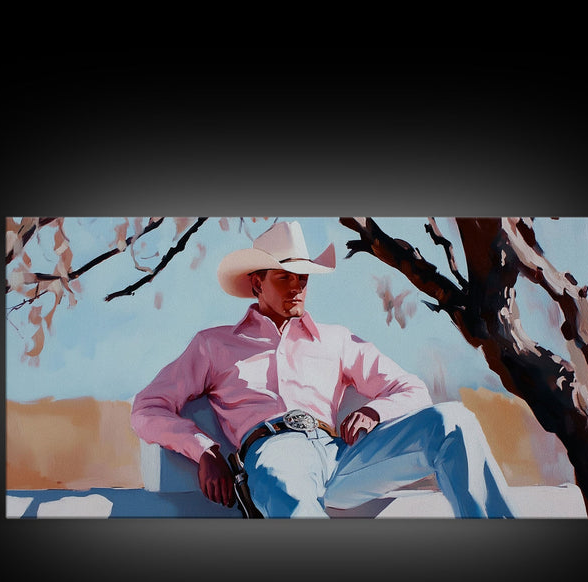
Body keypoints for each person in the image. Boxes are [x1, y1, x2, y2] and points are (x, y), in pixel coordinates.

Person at [131, 221, 514, 518]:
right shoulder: (213, 345)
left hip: (341, 455)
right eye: (284, 276)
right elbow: (148, 407)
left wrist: (373, 410)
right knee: (283, 476)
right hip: (275, 453)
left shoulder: (337, 340)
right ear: (256, 284)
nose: (297, 286)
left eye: (303, 277)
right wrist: (204, 451)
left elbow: (411, 388)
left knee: (455, 422)